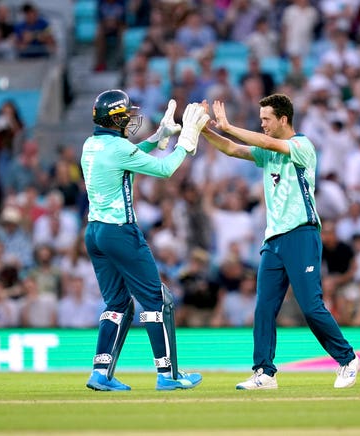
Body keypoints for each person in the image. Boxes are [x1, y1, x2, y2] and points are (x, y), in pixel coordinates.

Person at [201, 94, 360, 390]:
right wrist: (204, 130)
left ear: (284, 119)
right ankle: (264, 372)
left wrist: (229, 125)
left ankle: (348, 359)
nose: (262, 125)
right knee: (263, 308)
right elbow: (232, 149)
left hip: (301, 233)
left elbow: (268, 143)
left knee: (311, 306)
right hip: (273, 238)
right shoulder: (268, 152)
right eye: (260, 120)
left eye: (266, 120)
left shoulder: (302, 146)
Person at [80, 89, 208, 391]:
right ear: (115, 119)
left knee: (117, 303)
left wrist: (158, 138)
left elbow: (127, 160)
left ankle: (101, 372)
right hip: (120, 232)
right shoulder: (120, 149)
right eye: (125, 114)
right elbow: (164, 169)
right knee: (156, 300)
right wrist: (183, 145)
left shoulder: (91, 144)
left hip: (94, 233)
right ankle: (168, 374)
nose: (130, 119)